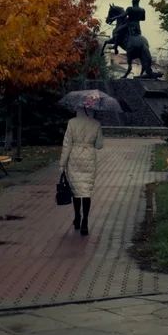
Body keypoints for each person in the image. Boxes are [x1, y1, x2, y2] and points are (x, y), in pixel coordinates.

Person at [59, 101, 103, 236]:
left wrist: (62, 164)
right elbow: (99, 145)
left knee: (76, 190)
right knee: (86, 191)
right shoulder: (96, 124)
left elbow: (67, 144)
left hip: (74, 158)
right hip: (89, 158)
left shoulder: (72, 122)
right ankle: (85, 221)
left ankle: (77, 217)